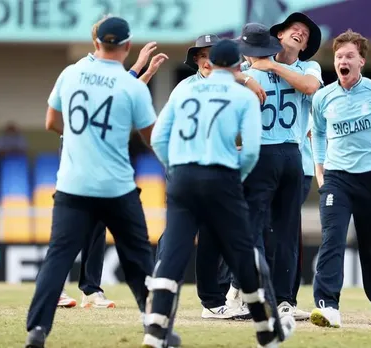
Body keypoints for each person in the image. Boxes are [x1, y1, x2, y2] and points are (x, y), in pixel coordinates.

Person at [24, 17, 175, 348]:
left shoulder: (71, 73)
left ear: (95, 44)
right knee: (138, 260)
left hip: (73, 185)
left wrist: (79, 138)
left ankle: (37, 330)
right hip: (116, 187)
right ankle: (157, 328)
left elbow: (51, 121)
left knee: (58, 258)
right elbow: (151, 138)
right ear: (127, 46)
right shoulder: (132, 86)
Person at [144, 39, 295, 348]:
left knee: (172, 254)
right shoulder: (242, 96)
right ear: (239, 65)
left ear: (210, 64)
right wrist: (232, 177)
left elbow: (159, 137)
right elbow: (251, 151)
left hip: (183, 177)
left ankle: (154, 331)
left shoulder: (184, 89)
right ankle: (266, 330)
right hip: (222, 177)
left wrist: (176, 169)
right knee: (243, 254)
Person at [57, 15, 168, 309]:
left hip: (97, 153)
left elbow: (120, 93)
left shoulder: (97, 70)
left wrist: (145, 72)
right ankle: (67, 288)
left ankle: (90, 290)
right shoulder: (84, 68)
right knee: (75, 226)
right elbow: (115, 88)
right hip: (82, 153)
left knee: (97, 224)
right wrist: (139, 66)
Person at [155, 33, 265, 320]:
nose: (204, 60)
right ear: (197, 60)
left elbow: (159, 137)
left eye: (209, 54)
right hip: (210, 173)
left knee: (205, 236)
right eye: (200, 55)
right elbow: (251, 148)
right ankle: (255, 316)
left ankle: (196, 302)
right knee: (186, 235)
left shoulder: (192, 90)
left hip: (186, 172)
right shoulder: (187, 88)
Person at [310, 29, 371, 328]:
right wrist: (320, 170)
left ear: (361, 61)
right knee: (332, 239)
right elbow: (317, 132)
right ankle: (328, 307)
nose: (343, 60)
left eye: (349, 56)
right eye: (339, 56)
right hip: (337, 179)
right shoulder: (323, 97)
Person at [242, 12, 323, 320]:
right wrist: (249, 74)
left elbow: (309, 87)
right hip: (260, 152)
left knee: (286, 231)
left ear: (304, 47)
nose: (299, 32)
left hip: (292, 156)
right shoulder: (253, 67)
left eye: (304, 32)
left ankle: (285, 299)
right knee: (255, 229)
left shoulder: (308, 67)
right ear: (279, 34)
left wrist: (270, 65)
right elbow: (224, 75)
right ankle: (249, 292)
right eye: (294, 28)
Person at [231, 22, 305, 318]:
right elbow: (311, 88)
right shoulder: (295, 73)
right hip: (292, 155)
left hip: (260, 153)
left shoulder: (245, 76)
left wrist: (245, 76)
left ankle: (252, 293)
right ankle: (285, 300)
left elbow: (213, 76)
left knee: (252, 228)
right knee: (287, 230)